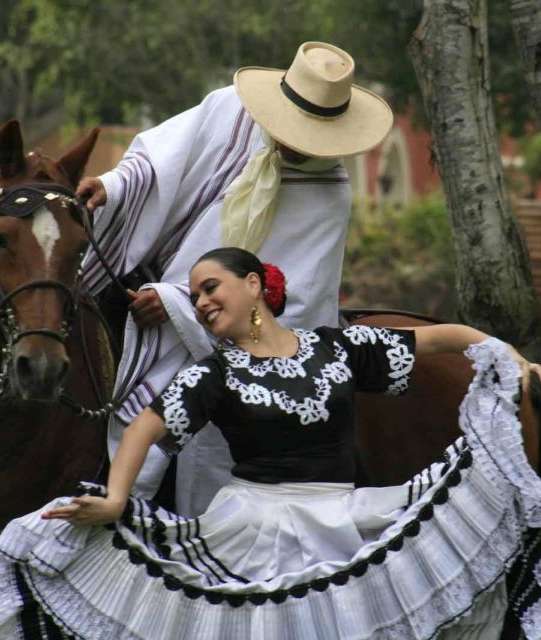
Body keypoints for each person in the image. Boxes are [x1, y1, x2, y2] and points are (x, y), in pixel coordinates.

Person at [0, 248, 541, 639]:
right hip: (256, 529)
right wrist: (114, 500)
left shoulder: (336, 347)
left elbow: (437, 339)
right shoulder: (215, 373)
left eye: (211, 286)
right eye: (195, 296)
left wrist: (501, 351)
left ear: (253, 285)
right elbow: (146, 427)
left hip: (345, 515)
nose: (203, 301)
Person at [76, 42, 394, 518]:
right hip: (152, 285)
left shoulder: (330, 194)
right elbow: (158, 162)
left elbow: (297, 302)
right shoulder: (227, 109)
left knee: (212, 435)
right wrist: (113, 185)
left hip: (220, 336)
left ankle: (189, 530)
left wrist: (180, 305)